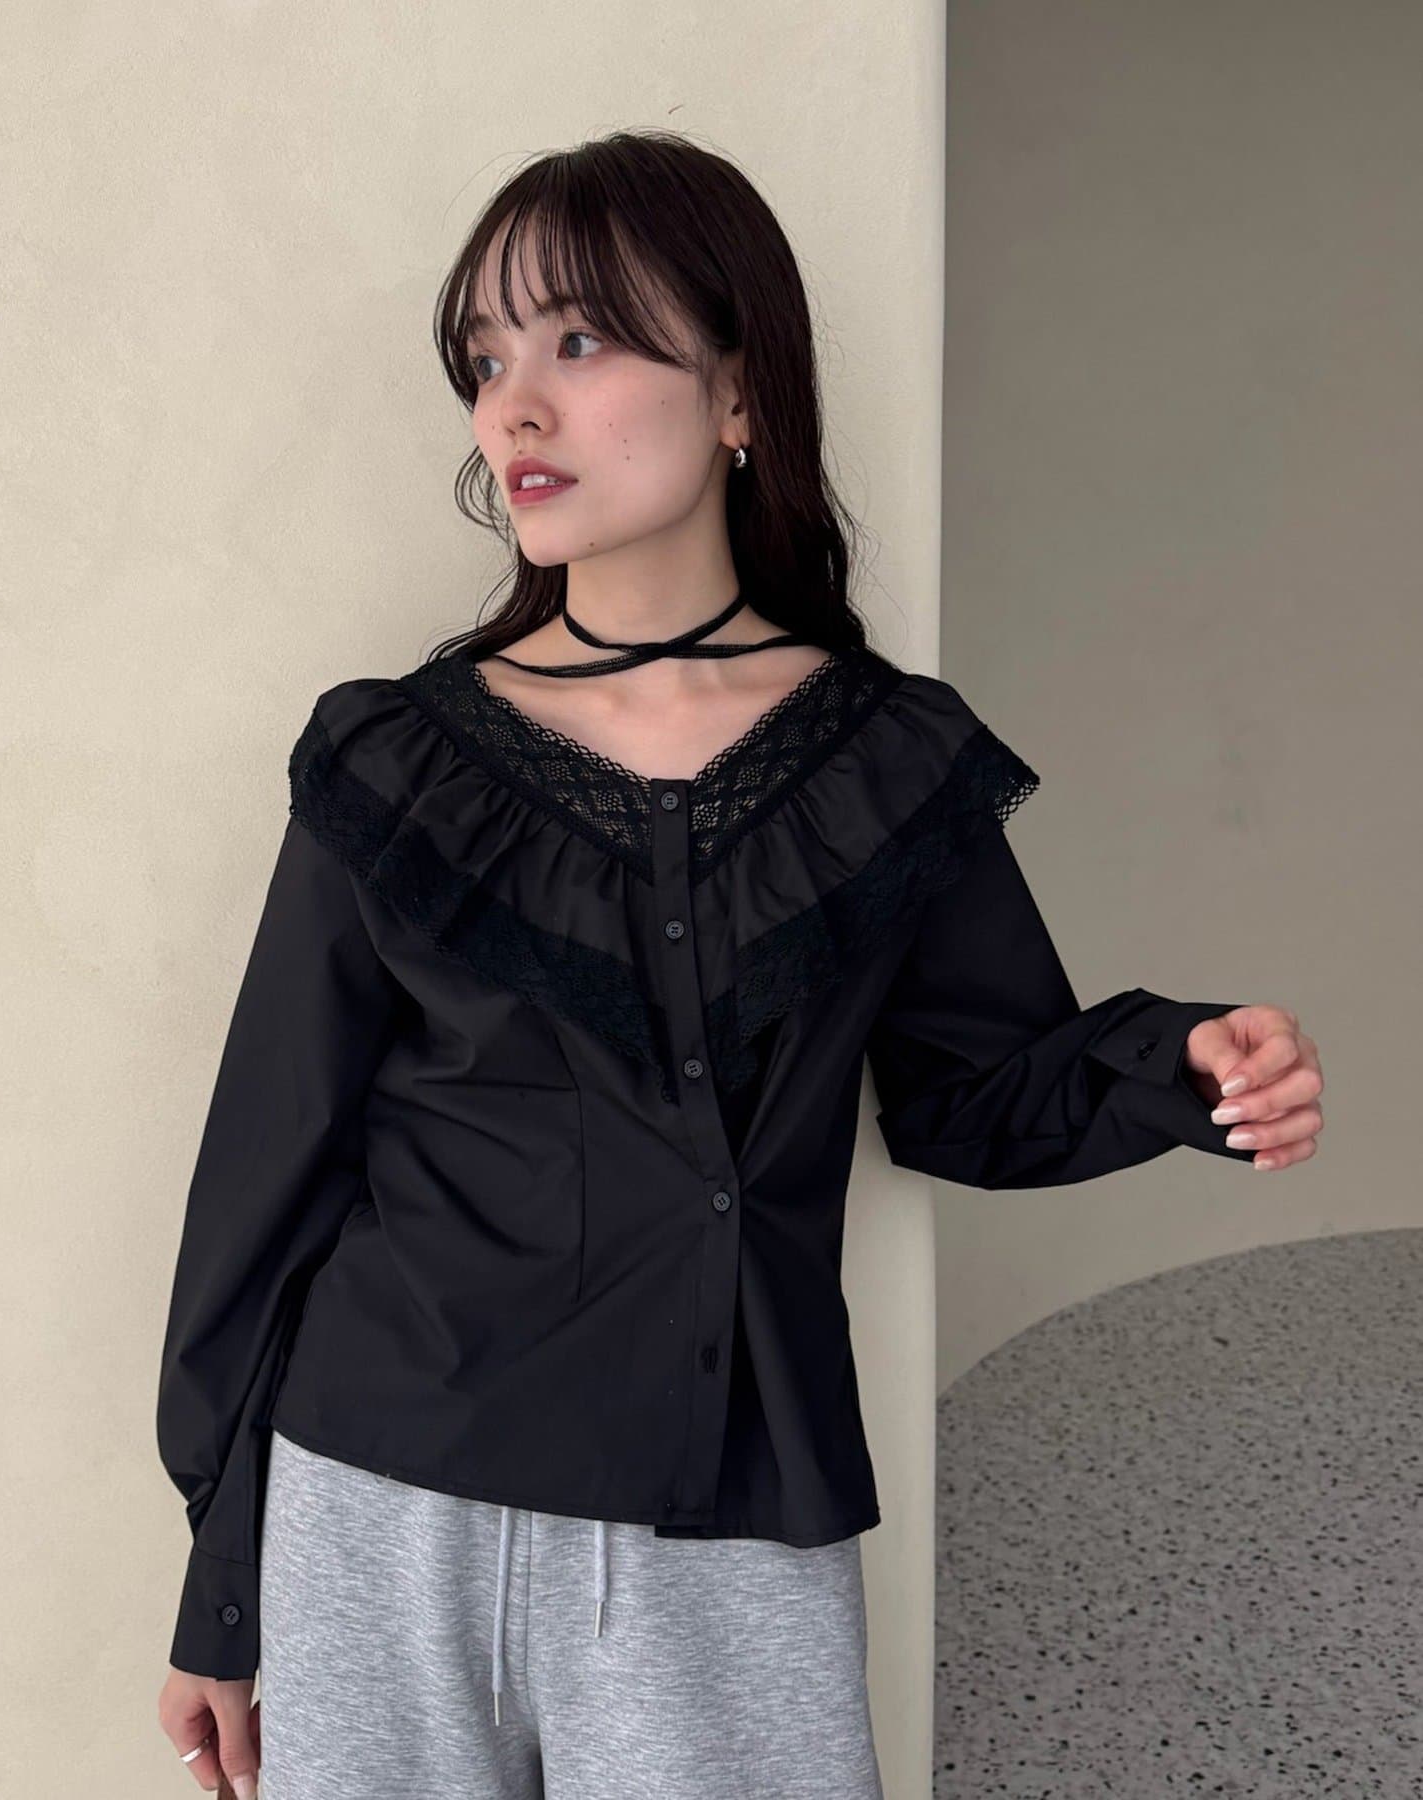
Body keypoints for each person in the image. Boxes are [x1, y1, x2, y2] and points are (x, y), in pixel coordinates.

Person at [153, 130, 1324, 1799]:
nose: (514, 408)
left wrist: (1183, 1062)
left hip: (722, 1528)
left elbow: (974, 1094)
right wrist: (224, 1588)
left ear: (740, 390)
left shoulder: (884, 761)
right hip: (379, 1510)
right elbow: (269, 1175)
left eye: (577, 340)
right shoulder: (395, 763)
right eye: (485, 359)